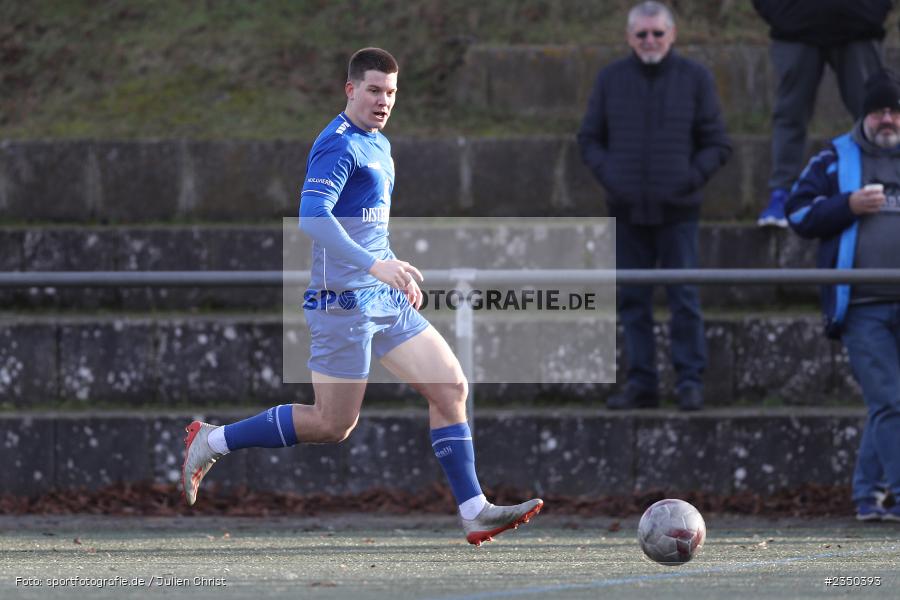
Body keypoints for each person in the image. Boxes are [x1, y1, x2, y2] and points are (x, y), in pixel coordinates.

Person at [181, 47, 543, 544]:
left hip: (383, 298)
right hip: (342, 302)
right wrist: (375, 265)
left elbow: (368, 224)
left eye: (391, 92)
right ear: (349, 89)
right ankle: (212, 440)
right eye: (374, 90)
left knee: (450, 387)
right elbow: (313, 218)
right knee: (333, 425)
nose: (383, 101)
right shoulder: (338, 144)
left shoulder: (379, 144)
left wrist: (394, 270)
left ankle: (474, 510)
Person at [577, 1, 731, 411]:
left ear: (672, 34)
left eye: (657, 33)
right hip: (626, 211)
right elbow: (589, 138)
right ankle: (641, 383)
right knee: (632, 300)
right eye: (642, 34)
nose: (649, 41)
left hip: (678, 211)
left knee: (684, 298)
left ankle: (689, 382)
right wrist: (614, 180)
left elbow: (718, 143)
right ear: (629, 37)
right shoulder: (611, 78)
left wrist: (687, 181)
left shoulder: (695, 78)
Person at [785, 69, 900, 522]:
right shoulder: (834, 158)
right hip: (862, 307)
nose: (887, 119)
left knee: (887, 402)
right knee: (892, 400)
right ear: (864, 115)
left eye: (894, 110)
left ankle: (866, 496)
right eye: (878, 111)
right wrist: (846, 205)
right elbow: (797, 211)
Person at [753, 0, 891, 228]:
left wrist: (870, 10)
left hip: (857, 24)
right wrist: (782, 14)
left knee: (875, 113)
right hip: (795, 26)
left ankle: (888, 186)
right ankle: (782, 193)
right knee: (790, 115)